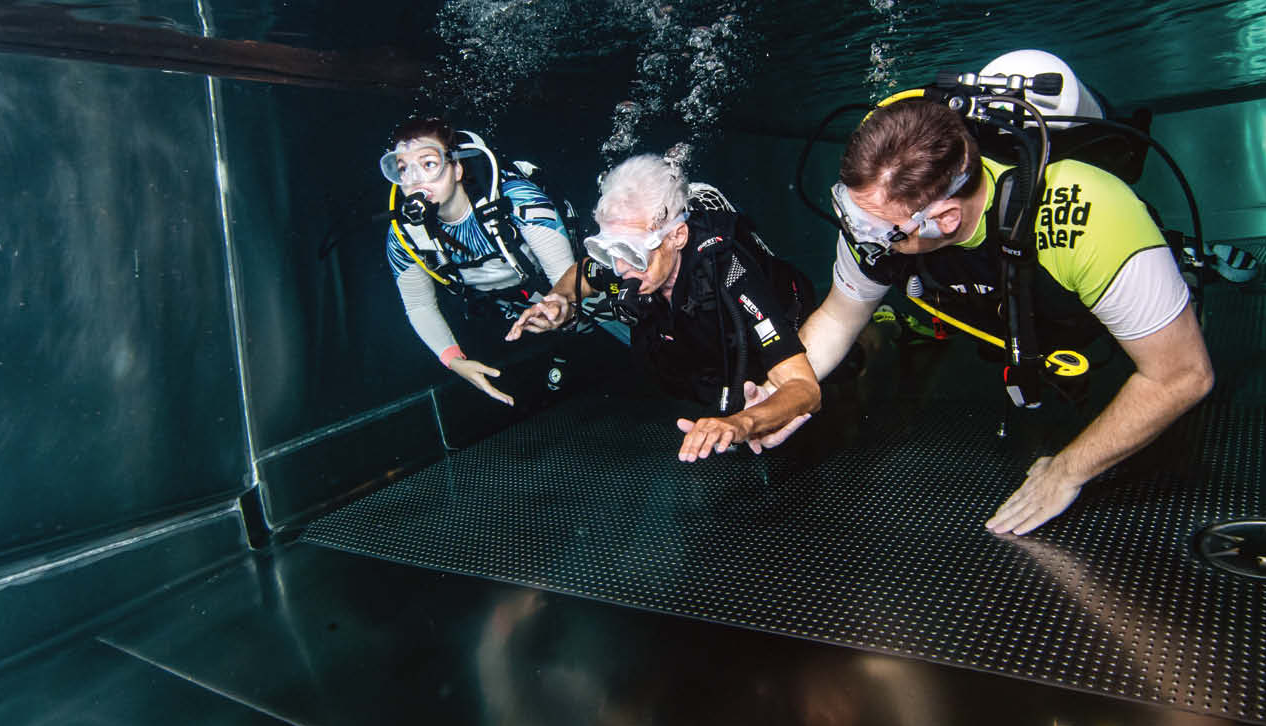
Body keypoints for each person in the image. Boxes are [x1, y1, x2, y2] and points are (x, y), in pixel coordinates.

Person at [791, 94, 1214, 536]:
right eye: (851, 213)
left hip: (1087, 319)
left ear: (946, 219)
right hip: (1008, 327)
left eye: (876, 229)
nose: (862, 238)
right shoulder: (881, 217)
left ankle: (1175, 259)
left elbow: (1181, 375)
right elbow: (839, 320)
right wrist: (776, 392)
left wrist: (1066, 472)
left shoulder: (1085, 214)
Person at [507, 154, 822, 462]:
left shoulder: (731, 272)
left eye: (634, 253)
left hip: (784, 335)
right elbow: (585, 271)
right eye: (610, 250)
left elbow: (803, 387)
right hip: (700, 367)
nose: (619, 268)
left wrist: (742, 423)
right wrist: (559, 300)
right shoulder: (623, 260)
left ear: (678, 236)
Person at [382, 116, 580, 406]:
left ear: (457, 168)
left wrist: (563, 307)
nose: (415, 180)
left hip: (552, 287)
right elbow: (419, 305)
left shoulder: (518, 200)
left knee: (587, 325)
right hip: (495, 306)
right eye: (403, 169)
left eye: (428, 164)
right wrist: (454, 360)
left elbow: (568, 277)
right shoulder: (403, 236)